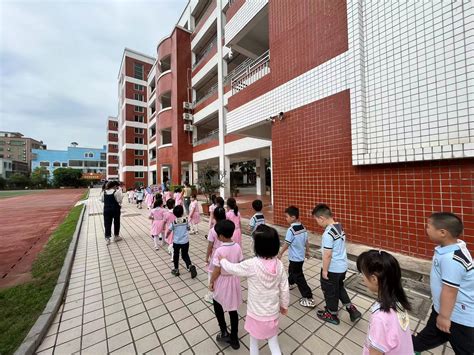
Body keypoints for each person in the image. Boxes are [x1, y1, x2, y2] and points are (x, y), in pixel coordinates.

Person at [220, 225, 289, 355]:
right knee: (274, 344)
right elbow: (284, 288)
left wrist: (223, 261)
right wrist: (284, 305)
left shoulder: (252, 264)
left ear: (257, 246)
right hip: (272, 314)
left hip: (255, 314)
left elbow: (233, 268)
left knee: (253, 342)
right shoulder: (279, 265)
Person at [412, 212, 474, 354]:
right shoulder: (448, 249)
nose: (426, 229)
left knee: (465, 349)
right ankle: (412, 347)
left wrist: (445, 317)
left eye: (428, 226)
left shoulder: (452, 259)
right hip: (442, 309)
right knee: (426, 337)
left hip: (457, 317)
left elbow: (450, 291)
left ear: (442, 233)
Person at [357, 250, 413, 355]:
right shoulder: (398, 302)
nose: (362, 278)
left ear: (374, 279)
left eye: (363, 274)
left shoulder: (380, 318)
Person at [312, 203, 361, 324]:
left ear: (322, 218)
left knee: (330, 291)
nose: (317, 223)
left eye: (317, 220)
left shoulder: (328, 234)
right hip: (342, 267)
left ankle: (331, 314)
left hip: (332, 269)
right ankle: (351, 309)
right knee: (339, 287)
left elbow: (327, 255)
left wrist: (324, 270)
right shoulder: (339, 227)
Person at [209, 220, 243, 350]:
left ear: (221, 236)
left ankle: (223, 331)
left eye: (217, 234)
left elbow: (216, 270)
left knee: (217, 303)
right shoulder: (237, 247)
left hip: (222, 280)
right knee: (233, 309)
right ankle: (234, 338)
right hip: (233, 280)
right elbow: (240, 263)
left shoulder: (219, 251)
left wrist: (211, 282)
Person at [277, 206, 314, 308]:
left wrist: (280, 253)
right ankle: (290, 282)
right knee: (292, 270)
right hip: (300, 257)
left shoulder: (291, 230)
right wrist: (307, 251)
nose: (286, 218)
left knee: (299, 276)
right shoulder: (302, 227)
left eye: (287, 217)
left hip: (295, 258)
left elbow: (287, 243)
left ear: (293, 217)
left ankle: (308, 297)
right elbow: (306, 241)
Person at [166, 205, 197, 278]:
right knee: (185, 255)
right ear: (182, 213)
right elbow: (188, 228)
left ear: (174, 214)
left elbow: (169, 230)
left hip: (176, 242)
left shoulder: (174, 222)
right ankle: (190, 266)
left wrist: (167, 236)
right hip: (185, 241)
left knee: (176, 255)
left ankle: (176, 270)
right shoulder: (185, 220)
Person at [204, 207, 228, 304]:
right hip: (226, 254)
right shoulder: (228, 227)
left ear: (214, 216)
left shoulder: (213, 230)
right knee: (223, 274)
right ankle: (224, 293)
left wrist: (206, 258)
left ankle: (211, 295)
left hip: (215, 255)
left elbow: (210, 246)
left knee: (211, 273)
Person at [100, 180, 123, 245]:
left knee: (107, 223)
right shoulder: (116, 192)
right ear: (114, 186)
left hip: (106, 209)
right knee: (116, 222)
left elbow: (101, 200)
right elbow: (119, 200)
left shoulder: (104, 192)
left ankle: (107, 238)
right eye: (116, 186)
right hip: (115, 209)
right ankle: (116, 236)